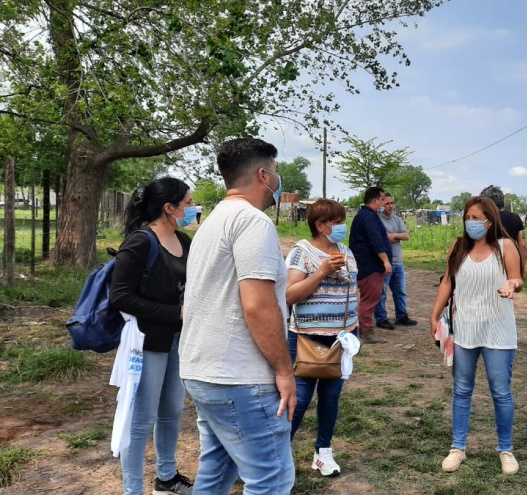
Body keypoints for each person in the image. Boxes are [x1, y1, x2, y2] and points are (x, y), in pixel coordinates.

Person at [179, 138, 296, 494]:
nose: (277, 180)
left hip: (203, 371)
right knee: (271, 479)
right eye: (275, 172)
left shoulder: (212, 222)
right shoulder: (252, 223)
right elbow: (258, 305)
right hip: (240, 377)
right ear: (263, 175)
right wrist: (284, 370)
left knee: (216, 472)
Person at [109, 177, 195, 495]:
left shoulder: (184, 241)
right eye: (188, 204)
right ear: (168, 208)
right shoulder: (141, 243)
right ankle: (134, 489)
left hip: (177, 342)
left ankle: (167, 477)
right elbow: (121, 297)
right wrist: (176, 313)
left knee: (171, 411)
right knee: (142, 419)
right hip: (147, 343)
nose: (193, 209)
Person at [429, 196, 524, 476]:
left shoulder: (505, 247)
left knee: (501, 392)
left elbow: (518, 278)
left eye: (476, 218)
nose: (471, 223)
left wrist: (512, 284)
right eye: (467, 218)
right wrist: (434, 315)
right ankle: (458, 448)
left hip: (499, 330)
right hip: (464, 330)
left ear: (490, 221)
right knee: (461, 390)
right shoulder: (458, 247)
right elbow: (448, 281)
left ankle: (505, 450)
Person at [285, 198, 358, 477]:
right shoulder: (301, 252)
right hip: (307, 338)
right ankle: (279, 452)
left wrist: (354, 328)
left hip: (341, 338)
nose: (342, 226)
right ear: (320, 225)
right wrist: (322, 272)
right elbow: (289, 295)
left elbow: (353, 291)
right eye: (337, 222)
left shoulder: (347, 252)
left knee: (331, 398)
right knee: (299, 398)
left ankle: (323, 453)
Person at [348, 186, 393, 344]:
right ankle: (366, 330)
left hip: (369, 265)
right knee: (370, 299)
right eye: (382, 200)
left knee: (370, 298)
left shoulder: (369, 216)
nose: (384, 203)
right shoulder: (367, 217)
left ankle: (364, 328)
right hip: (369, 266)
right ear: (375, 200)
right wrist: (385, 260)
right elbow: (376, 240)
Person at [374, 193, 418, 330]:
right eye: (387, 203)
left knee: (400, 291)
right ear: (381, 204)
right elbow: (381, 238)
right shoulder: (377, 220)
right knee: (381, 293)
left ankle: (401, 316)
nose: (390, 206)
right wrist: (395, 237)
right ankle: (381, 318)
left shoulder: (397, 219)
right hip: (384, 262)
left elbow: (406, 235)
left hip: (398, 262)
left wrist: (394, 236)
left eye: (392, 203)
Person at [480, 185, 527, 270]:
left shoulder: (484, 220)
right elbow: (523, 245)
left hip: (487, 266)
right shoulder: (515, 218)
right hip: (510, 264)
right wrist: (522, 268)